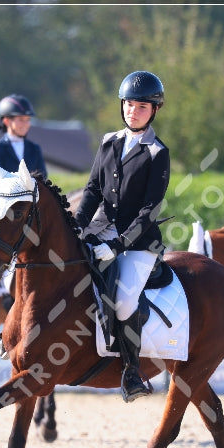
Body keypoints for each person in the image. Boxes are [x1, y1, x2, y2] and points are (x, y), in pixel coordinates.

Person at [74, 71, 170, 403]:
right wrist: (79, 225)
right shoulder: (108, 142)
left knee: (126, 300)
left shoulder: (157, 153)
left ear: (154, 110)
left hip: (138, 243)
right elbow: (92, 191)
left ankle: (131, 371)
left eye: (142, 106)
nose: (133, 111)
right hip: (101, 230)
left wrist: (117, 245)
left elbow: (149, 211)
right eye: (129, 104)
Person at [0, 94, 48, 323]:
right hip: (5, 206)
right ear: (7, 121)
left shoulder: (34, 148)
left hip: (29, 208)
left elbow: (42, 178)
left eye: (27, 120)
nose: (26, 124)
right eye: (21, 120)